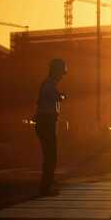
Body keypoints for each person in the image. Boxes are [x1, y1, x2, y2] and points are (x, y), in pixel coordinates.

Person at [35, 58, 67, 196]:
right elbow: (57, 98)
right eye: (60, 73)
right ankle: (45, 188)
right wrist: (63, 96)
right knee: (50, 156)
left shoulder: (49, 84)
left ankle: (47, 186)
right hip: (46, 122)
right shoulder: (48, 85)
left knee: (50, 156)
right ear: (55, 71)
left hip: (48, 122)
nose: (61, 77)